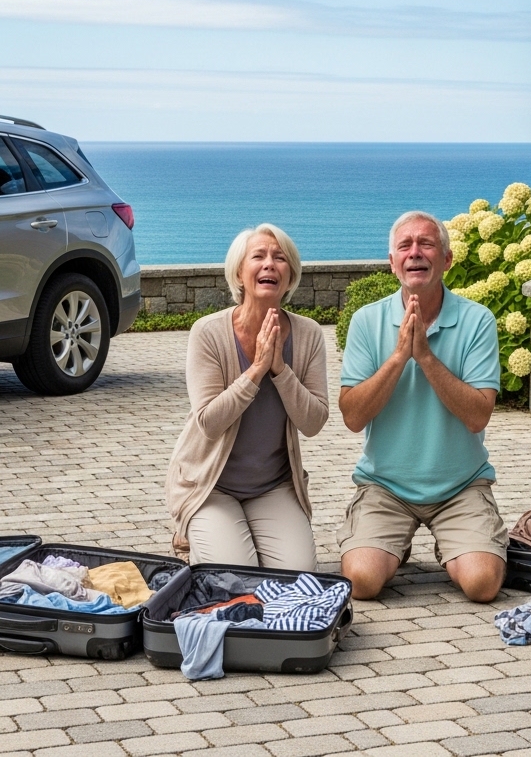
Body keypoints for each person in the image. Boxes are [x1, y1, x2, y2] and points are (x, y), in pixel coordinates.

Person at [337, 210, 507, 602]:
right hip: (385, 487)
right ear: (392, 262)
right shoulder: (366, 321)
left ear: (446, 259)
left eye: (426, 244)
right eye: (405, 246)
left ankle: (455, 544)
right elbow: (353, 416)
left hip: (461, 486)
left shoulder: (477, 320)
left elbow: (478, 416)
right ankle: (394, 544)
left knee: (482, 585)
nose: (415, 252)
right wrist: (399, 356)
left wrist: (426, 357)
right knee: (362, 582)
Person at [166, 224, 328, 568]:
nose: (270, 264)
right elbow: (209, 422)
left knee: (298, 576)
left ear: (290, 275)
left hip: (273, 486)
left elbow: (314, 422)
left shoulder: (309, 334)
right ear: (239, 273)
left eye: (280, 258)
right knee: (238, 576)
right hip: (211, 486)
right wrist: (256, 370)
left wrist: (280, 370)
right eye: (259, 256)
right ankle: (191, 536)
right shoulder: (208, 332)